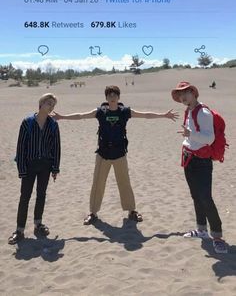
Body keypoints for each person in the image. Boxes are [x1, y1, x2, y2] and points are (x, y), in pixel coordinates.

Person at [53, 85, 178, 225]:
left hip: (119, 154)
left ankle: (131, 211)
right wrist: (62, 117)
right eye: (109, 95)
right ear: (106, 98)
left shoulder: (125, 112)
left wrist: (163, 115)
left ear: (119, 97)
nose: (112, 98)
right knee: (98, 184)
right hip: (103, 154)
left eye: (115, 95)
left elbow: (145, 115)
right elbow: (81, 115)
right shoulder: (100, 112)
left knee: (125, 183)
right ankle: (93, 213)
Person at [171, 81, 227, 254]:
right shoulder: (188, 111)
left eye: (185, 93)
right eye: (180, 95)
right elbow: (193, 136)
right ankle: (201, 229)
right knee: (196, 196)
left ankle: (217, 236)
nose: (182, 97)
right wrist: (188, 138)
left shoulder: (202, 112)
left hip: (202, 161)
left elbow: (209, 138)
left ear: (193, 93)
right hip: (189, 158)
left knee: (205, 198)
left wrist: (191, 134)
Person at [8, 93, 61, 245]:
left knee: (41, 195)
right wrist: (22, 169)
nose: (51, 107)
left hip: (45, 165)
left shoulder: (53, 124)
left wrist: (55, 168)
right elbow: (21, 147)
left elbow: (56, 147)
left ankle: (38, 224)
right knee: (24, 197)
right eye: (48, 103)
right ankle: (19, 230)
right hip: (29, 166)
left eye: (53, 105)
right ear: (41, 103)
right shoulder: (27, 122)